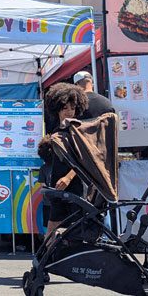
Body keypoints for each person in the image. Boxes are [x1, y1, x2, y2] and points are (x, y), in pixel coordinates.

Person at [44, 82, 88, 236]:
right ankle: (47, 257)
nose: (69, 112)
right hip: (57, 184)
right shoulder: (57, 128)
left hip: (74, 185)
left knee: (75, 228)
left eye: (73, 108)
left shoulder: (77, 130)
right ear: (57, 109)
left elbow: (82, 159)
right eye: (65, 108)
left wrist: (68, 178)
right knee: (53, 226)